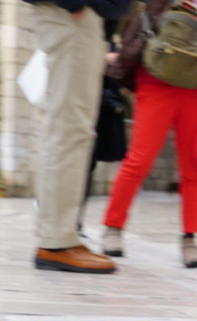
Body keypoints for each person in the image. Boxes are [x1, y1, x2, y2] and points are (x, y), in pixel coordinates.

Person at [103, 0, 197, 268]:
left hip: (195, 88)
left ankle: (190, 240)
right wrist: (122, 61)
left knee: (191, 167)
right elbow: (134, 24)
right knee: (138, 160)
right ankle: (112, 228)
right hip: (155, 82)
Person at [22, 0, 131, 274]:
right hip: (71, 14)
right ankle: (56, 243)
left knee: (72, 127)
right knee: (69, 126)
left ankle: (61, 237)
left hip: (80, 15)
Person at [77, 20, 128, 237]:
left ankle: (76, 220)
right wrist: (102, 60)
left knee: (88, 168)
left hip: (101, 115)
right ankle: (61, 216)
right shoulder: (83, 38)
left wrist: (113, 65)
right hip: (81, 109)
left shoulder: (112, 46)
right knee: (78, 165)